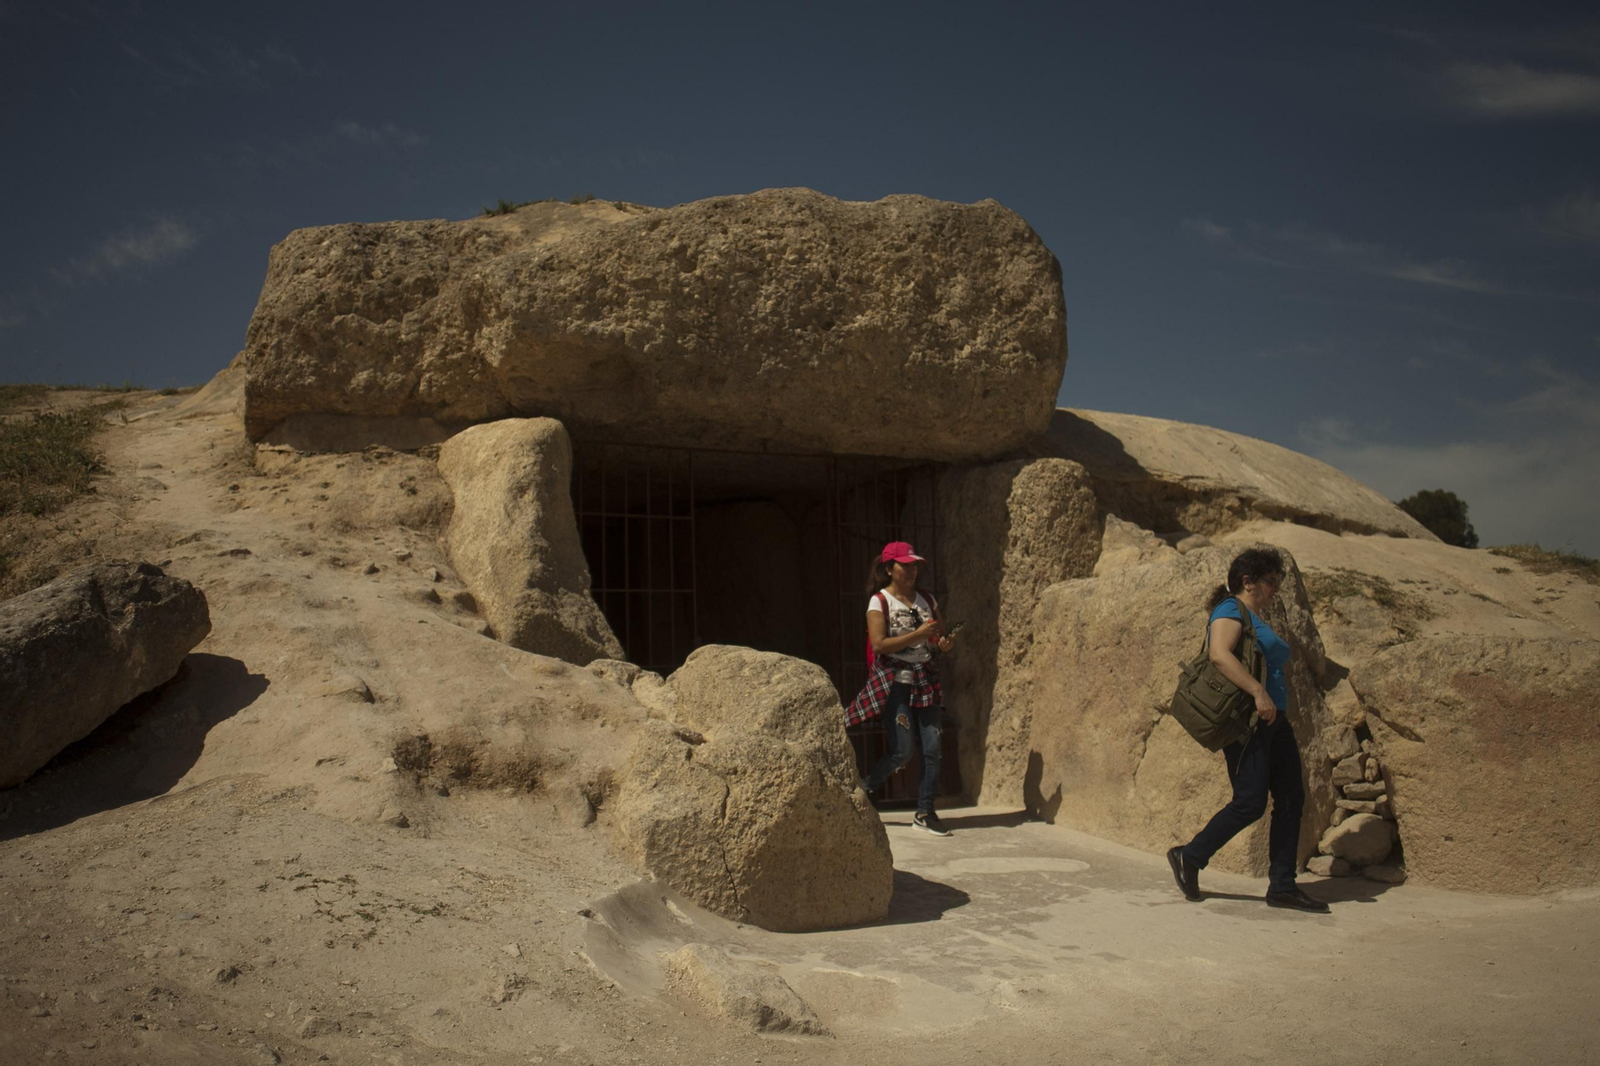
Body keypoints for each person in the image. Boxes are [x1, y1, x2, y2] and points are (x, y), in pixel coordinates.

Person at [1166, 547, 1329, 912]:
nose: (1276, 590)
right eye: (1271, 582)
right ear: (1248, 581)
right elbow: (1219, 654)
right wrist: (1257, 692)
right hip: (1249, 722)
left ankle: (1283, 886)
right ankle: (1189, 856)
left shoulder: (1259, 618)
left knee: (1291, 799)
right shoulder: (1230, 609)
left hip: (1276, 720)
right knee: (1250, 803)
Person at [845, 541, 958, 835]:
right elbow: (879, 644)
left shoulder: (926, 599)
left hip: (926, 679)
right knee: (904, 749)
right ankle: (869, 785)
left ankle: (925, 811)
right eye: (904, 566)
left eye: (914, 565)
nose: (911, 571)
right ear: (889, 568)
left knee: (932, 747)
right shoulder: (879, 601)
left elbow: (937, 635)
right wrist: (917, 634)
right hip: (895, 683)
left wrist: (943, 643)